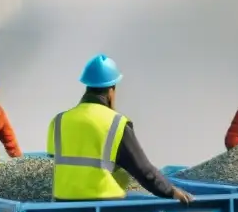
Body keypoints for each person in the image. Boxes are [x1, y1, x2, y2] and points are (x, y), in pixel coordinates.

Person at [47, 54, 193, 203]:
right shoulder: (116, 123)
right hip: (105, 205)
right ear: (111, 90)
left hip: (62, 202)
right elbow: (143, 170)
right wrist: (171, 191)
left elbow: (60, 160)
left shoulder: (59, 120)